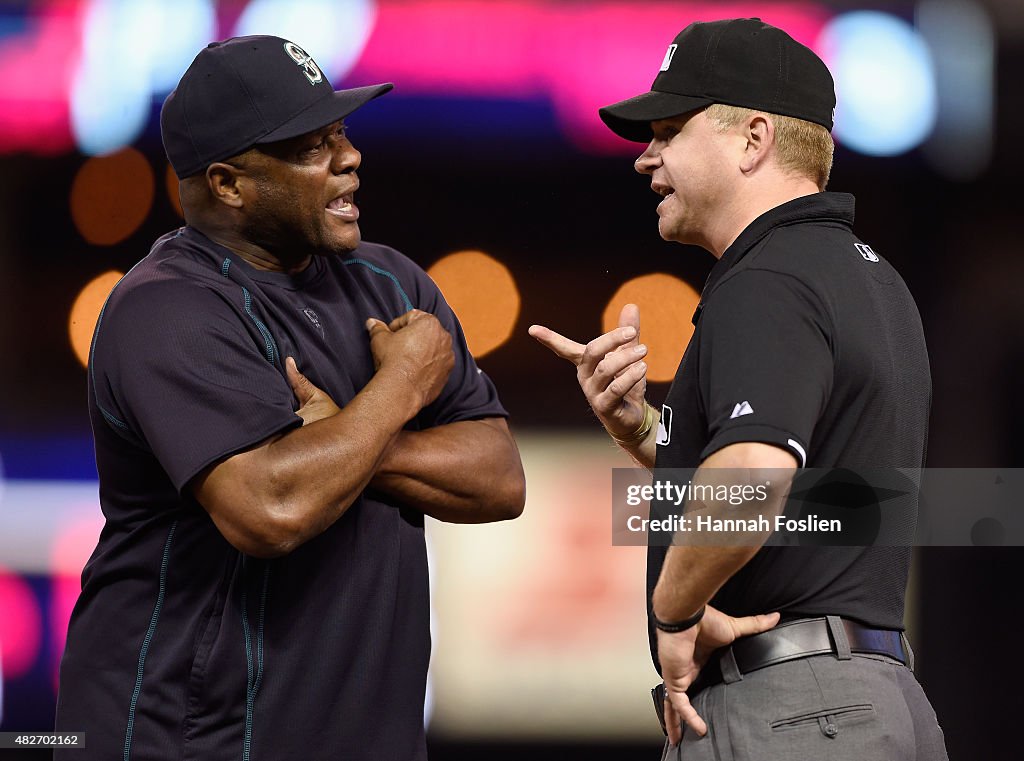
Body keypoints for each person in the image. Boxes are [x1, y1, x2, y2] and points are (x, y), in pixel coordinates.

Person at [55, 35, 525, 761]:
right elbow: (269, 508)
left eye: (341, 132)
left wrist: (351, 436)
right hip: (180, 737)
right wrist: (399, 386)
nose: (349, 157)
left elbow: (499, 477)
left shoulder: (391, 282)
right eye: (311, 146)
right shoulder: (167, 307)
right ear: (229, 183)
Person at [530, 17, 946, 761]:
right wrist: (643, 430)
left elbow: (754, 479)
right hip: (876, 701)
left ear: (754, 139)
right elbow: (811, 500)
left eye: (667, 131)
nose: (645, 159)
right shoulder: (870, 277)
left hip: (794, 712)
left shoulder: (768, 277)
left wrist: (674, 609)